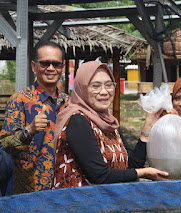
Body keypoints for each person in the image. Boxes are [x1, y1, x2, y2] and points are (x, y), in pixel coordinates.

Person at [52, 61, 169, 189]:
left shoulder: (110, 124)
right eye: (95, 86)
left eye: (109, 85)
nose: (104, 91)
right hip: (76, 204)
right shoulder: (77, 121)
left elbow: (131, 166)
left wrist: (148, 125)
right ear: (82, 88)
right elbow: (99, 175)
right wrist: (145, 172)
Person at [0, 41, 69, 194]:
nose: (51, 68)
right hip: (28, 193)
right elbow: (5, 146)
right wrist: (29, 131)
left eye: (56, 64)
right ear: (33, 66)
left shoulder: (69, 103)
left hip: (64, 191)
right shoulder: (20, 100)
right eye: (45, 63)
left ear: (63, 67)